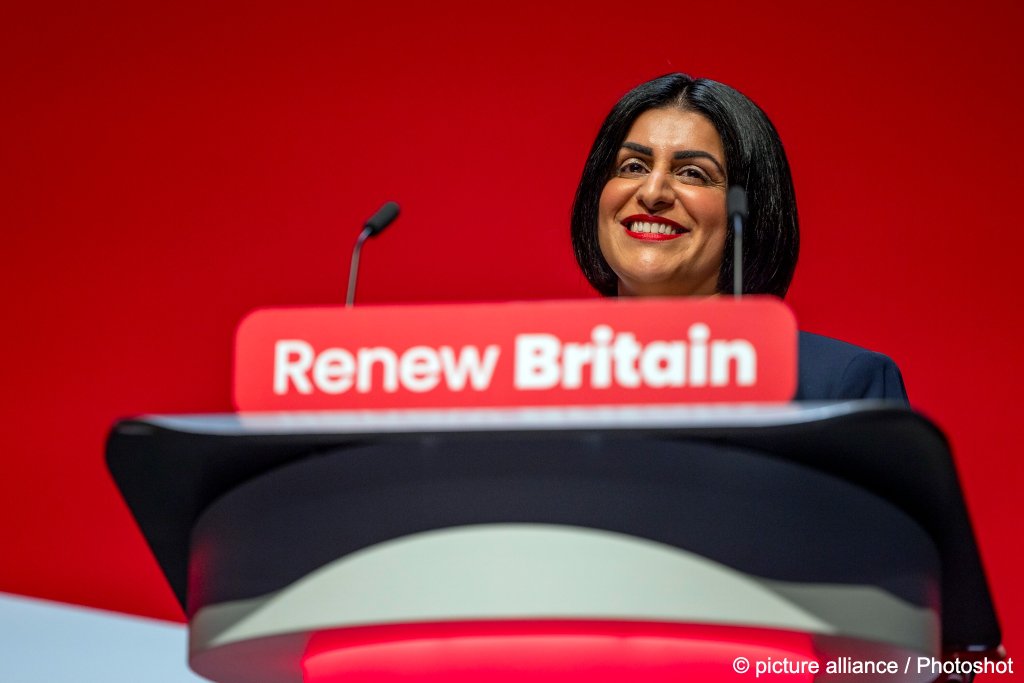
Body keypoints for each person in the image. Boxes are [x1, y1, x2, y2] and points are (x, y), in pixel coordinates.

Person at [570, 73, 907, 402]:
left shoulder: (837, 385)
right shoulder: (540, 374)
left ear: (750, 211)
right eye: (633, 167)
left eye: (693, 173)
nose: (653, 192)